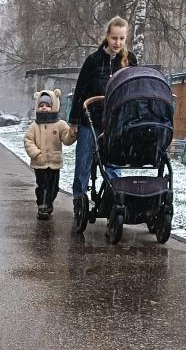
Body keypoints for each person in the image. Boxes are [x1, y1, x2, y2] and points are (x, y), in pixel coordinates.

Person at [68, 16, 137, 218]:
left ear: (126, 38)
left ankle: (115, 199)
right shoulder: (93, 61)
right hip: (90, 118)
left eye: (122, 38)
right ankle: (79, 198)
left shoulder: (130, 60)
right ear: (107, 36)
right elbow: (80, 90)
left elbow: (133, 89)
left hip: (116, 121)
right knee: (84, 160)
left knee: (114, 161)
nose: (117, 43)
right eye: (114, 38)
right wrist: (73, 122)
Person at [23, 90, 70, 220]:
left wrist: (71, 134)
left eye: (48, 105)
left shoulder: (60, 124)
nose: (44, 107)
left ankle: (49, 203)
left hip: (54, 163)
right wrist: (36, 153)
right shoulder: (35, 126)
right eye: (41, 105)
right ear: (37, 106)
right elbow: (28, 140)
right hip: (40, 163)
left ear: (54, 106)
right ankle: (42, 206)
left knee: (53, 187)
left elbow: (66, 139)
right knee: (42, 185)